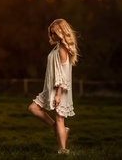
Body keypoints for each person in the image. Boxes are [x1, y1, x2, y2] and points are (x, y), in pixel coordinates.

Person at [28, 18, 79, 154]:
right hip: (51, 88)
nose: (53, 36)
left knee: (59, 118)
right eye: (51, 34)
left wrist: (58, 94)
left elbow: (63, 74)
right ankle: (57, 128)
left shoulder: (62, 49)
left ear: (62, 32)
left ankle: (63, 150)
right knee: (33, 108)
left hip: (59, 89)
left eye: (55, 33)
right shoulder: (58, 47)